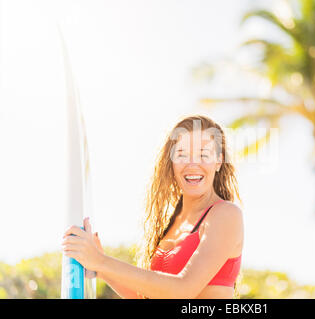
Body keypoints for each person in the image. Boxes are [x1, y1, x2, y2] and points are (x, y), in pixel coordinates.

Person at [62, 115, 244, 299]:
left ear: (219, 161)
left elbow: (183, 290)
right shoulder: (173, 223)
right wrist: (100, 270)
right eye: (182, 154)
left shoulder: (225, 214)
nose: (192, 164)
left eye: (203, 155)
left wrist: (102, 262)